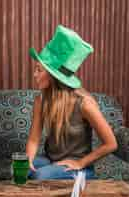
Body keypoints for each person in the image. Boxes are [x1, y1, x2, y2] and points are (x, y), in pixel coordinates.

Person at [26, 25, 118, 180]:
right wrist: (27, 161)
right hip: (51, 160)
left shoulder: (84, 104)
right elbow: (34, 139)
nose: (34, 75)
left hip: (78, 166)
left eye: (39, 70)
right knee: (17, 169)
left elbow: (111, 144)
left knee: (40, 175)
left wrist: (81, 163)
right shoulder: (40, 100)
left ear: (53, 76)